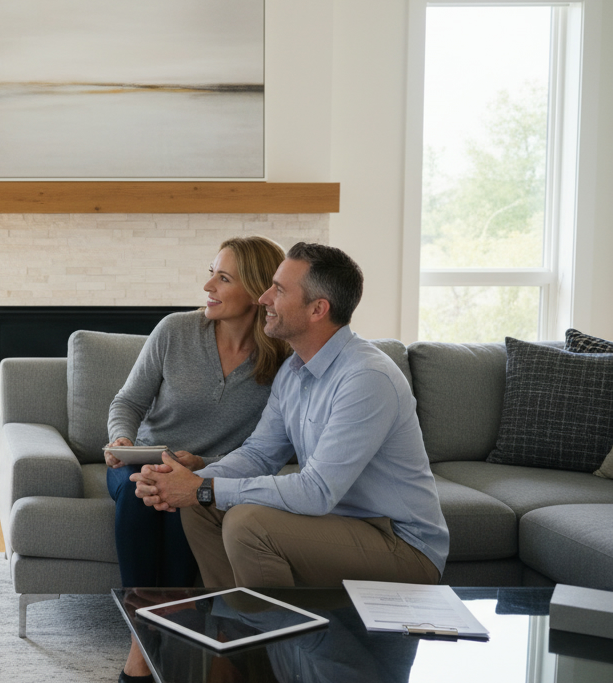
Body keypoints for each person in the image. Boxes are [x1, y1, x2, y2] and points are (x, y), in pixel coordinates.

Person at [132, 242, 448, 594]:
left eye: (278, 290)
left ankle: (268, 641)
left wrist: (204, 487)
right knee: (200, 506)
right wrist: (183, 483)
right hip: (334, 525)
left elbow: (316, 491)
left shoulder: (366, 378)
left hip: (399, 544)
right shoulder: (294, 370)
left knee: (246, 523)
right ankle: (229, 631)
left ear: (317, 309)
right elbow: (258, 455)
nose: (263, 298)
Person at [105, 235, 290, 683]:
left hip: (210, 472)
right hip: (144, 457)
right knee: (137, 490)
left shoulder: (284, 358)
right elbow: (128, 400)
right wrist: (122, 438)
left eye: (223, 278)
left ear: (255, 290)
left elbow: (279, 445)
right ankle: (142, 635)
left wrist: (203, 463)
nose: (207, 284)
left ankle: (164, 628)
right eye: (211, 271)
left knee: (186, 502)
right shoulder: (174, 331)